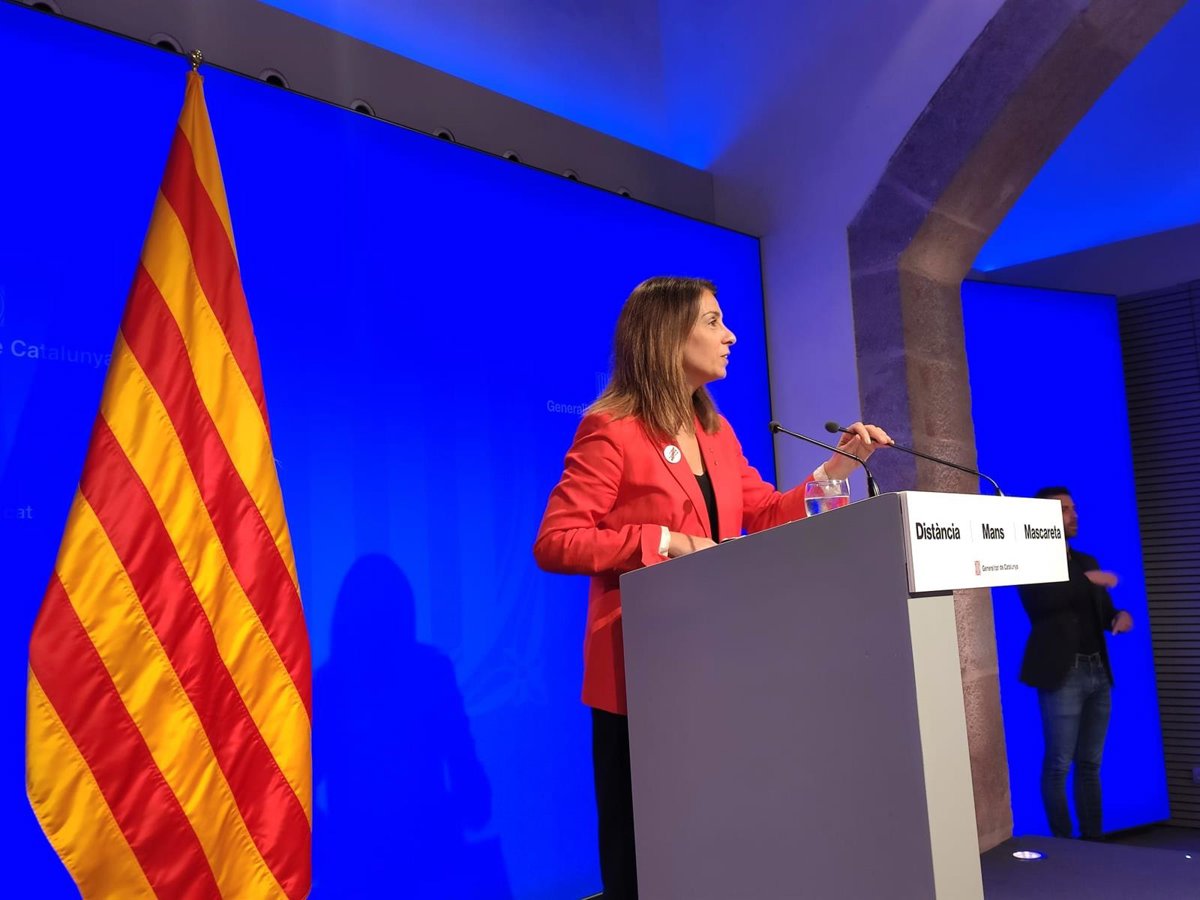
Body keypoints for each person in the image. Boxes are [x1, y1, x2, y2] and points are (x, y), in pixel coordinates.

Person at [532, 276, 890, 899]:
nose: (731, 336)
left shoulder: (716, 434)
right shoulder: (611, 429)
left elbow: (767, 513)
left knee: (711, 845)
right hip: (640, 676)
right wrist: (662, 541)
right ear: (668, 335)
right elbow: (557, 541)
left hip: (716, 668)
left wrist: (839, 469)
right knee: (643, 856)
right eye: (712, 321)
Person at [1017, 487, 1134, 841]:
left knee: (1090, 764)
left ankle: (1093, 842)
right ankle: (1065, 846)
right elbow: (1044, 603)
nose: (1074, 515)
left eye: (1073, 508)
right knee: (1058, 764)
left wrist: (1118, 615)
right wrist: (1087, 582)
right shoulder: (1030, 560)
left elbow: (1101, 611)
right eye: (1064, 509)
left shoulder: (1086, 561)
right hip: (1061, 673)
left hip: (1097, 671)